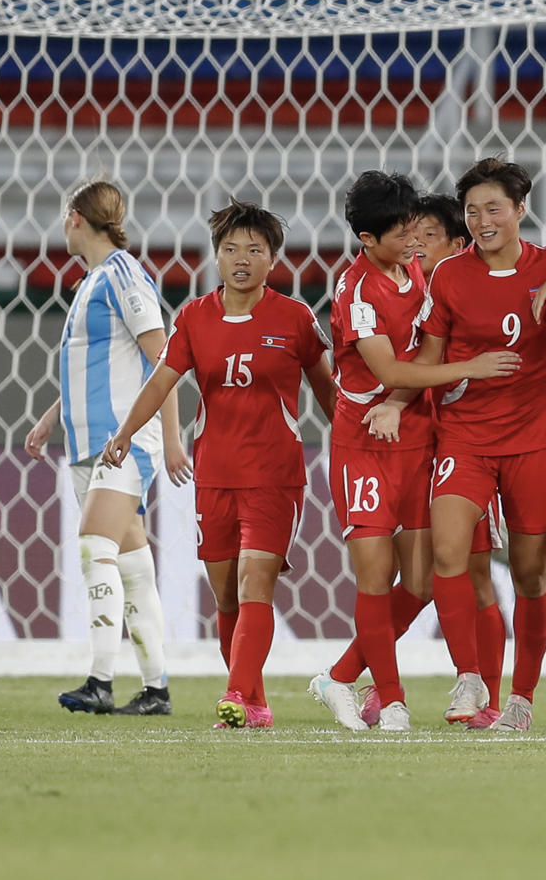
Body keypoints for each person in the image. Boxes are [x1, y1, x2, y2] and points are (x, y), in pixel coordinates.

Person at [102, 201, 334, 728]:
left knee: (257, 582)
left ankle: (236, 694)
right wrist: (125, 432)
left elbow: (329, 395)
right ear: (217, 256)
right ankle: (255, 703)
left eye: (254, 249)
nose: (241, 259)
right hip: (214, 475)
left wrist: (358, 444)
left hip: (275, 475)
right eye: (231, 249)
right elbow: (162, 381)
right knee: (227, 593)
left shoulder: (295, 318)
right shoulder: (193, 317)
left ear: (273, 259)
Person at [306, 171, 517, 732]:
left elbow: (423, 351)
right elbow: (391, 368)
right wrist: (466, 369)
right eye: (402, 233)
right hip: (365, 445)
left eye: (418, 230)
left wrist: (403, 403)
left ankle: (343, 675)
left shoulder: (418, 271)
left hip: (425, 436)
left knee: (423, 580)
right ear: (368, 240)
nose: (414, 241)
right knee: (375, 575)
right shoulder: (355, 292)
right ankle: (394, 700)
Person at [413, 158, 546, 732]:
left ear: (520, 210)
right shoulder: (449, 276)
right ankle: (469, 673)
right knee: (447, 553)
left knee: (532, 572)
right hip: (465, 434)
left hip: (535, 439)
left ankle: (523, 698)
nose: (482, 221)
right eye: (472, 211)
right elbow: (429, 363)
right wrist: (470, 366)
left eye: (493, 209)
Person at [23, 181, 191, 716]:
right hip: (87, 443)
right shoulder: (94, 281)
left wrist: (170, 440)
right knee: (133, 568)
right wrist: (53, 418)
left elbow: (165, 361)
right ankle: (157, 688)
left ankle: (99, 680)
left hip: (123, 443)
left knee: (94, 550)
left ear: (75, 218)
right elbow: (96, 367)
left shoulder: (123, 276)